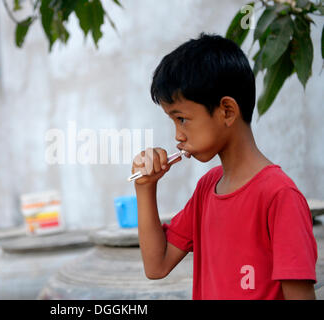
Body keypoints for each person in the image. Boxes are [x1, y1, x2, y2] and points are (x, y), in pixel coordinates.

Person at [132, 33, 317, 300]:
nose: (177, 136)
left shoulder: (279, 196)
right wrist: (145, 187)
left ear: (227, 111)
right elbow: (156, 266)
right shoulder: (207, 188)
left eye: (182, 119)